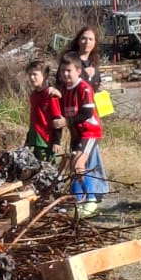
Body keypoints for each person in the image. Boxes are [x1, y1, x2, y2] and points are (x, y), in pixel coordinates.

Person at [58, 53, 103, 217]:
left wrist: (67, 122)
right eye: (63, 71)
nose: (66, 74)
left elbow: (87, 112)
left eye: (69, 71)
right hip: (76, 134)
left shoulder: (84, 88)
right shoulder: (63, 90)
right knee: (73, 166)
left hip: (89, 132)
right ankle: (77, 200)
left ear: (78, 71)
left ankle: (91, 200)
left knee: (79, 164)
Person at [24, 61, 63, 158]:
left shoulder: (50, 95)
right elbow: (34, 119)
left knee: (47, 169)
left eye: (35, 74)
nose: (32, 78)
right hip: (35, 138)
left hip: (46, 140)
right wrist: (28, 140)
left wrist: (56, 141)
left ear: (44, 75)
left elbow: (57, 119)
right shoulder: (33, 95)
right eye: (30, 74)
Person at [67, 26, 103, 90]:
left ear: (95, 42)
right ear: (78, 41)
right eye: (84, 38)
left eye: (90, 39)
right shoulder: (69, 60)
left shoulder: (94, 63)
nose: (87, 42)